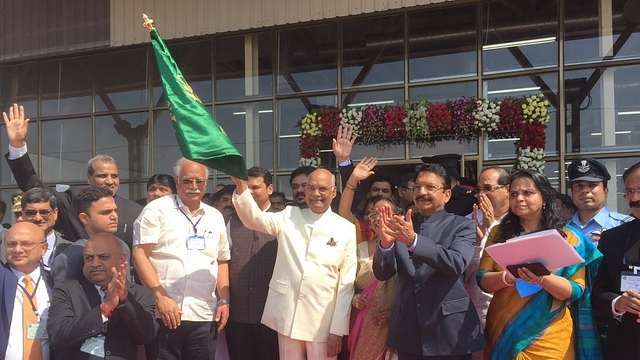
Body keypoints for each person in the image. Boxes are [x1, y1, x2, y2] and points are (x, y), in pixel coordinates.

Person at [231, 168, 357, 360]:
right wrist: (241, 188)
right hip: (288, 313)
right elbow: (253, 219)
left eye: (322, 189)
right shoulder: (288, 216)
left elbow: (346, 284)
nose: (316, 194)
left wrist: (337, 330)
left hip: (323, 319)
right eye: (311, 188)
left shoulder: (346, 229)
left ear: (333, 192)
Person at [477, 170, 602, 360]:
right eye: (514, 194)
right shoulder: (498, 233)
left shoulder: (568, 238)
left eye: (527, 193)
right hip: (502, 327)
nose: (519, 198)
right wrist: (508, 277)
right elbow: (482, 279)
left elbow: (576, 290)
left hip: (549, 334)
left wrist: (542, 277)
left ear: (544, 198)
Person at [373, 163, 485, 360]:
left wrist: (414, 241)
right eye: (417, 187)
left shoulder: (461, 225)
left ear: (447, 195)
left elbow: (456, 264)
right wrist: (385, 245)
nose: (422, 192)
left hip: (449, 331)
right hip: (408, 330)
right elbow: (382, 274)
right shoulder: (402, 225)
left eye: (430, 187)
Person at [3, 103, 143, 247]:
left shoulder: (135, 211)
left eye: (114, 176)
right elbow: (31, 184)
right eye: (102, 176)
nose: (109, 181)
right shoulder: (73, 201)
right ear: (89, 178)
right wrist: (17, 144)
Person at [133, 158, 230, 360]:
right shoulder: (156, 210)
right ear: (177, 181)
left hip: (204, 315)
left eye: (199, 182)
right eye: (188, 181)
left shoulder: (215, 216)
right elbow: (140, 254)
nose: (194, 187)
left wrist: (224, 300)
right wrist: (160, 296)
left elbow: (221, 261)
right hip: (165, 314)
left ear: (206, 183)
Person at [47, 233, 157, 359]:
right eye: (89, 258)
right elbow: (57, 337)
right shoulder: (67, 290)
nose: (95, 264)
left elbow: (146, 335)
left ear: (122, 259)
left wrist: (124, 301)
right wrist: (104, 309)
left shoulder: (141, 294)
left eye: (103, 257)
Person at [339, 157, 398, 360]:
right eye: (373, 215)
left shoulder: (406, 248)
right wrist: (354, 300)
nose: (378, 219)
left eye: (384, 213)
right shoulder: (360, 246)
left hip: (391, 323)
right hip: (362, 320)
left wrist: (395, 315)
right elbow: (347, 283)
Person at [226, 166, 279, 360]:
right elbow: (223, 261)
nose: (250, 192)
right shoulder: (232, 221)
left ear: (270, 189)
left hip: (271, 315)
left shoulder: (283, 220)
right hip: (238, 314)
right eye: (246, 188)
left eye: (256, 187)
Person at [592, 161, 640, 359]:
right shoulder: (612, 238)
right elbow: (597, 292)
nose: (635, 198)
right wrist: (618, 303)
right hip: (625, 345)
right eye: (629, 191)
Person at [51, 186, 131, 284]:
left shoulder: (122, 246)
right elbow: (64, 296)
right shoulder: (70, 257)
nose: (114, 216)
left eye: (115, 210)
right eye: (106, 212)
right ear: (84, 218)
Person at [0, 222, 54, 360]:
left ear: (44, 248)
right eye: (12, 244)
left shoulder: (54, 283)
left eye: (26, 244)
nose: (18, 249)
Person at [465, 167, 510, 334]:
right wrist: (477, 244)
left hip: (506, 307)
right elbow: (461, 270)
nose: (481, 194)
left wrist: (492, 228)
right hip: (473, 309)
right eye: (478, 189)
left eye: (488, 188)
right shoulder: (467, 221)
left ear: (507, 190)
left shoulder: (519, 222)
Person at [567, 158, 630, 244]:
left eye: (592, 185)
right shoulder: (561, 228)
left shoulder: (623, 225)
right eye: (579, 186)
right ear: (572, 193)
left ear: (606, 192)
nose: (585, 190)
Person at [19, 188, 73, 271]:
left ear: (55, 213)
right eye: (31, 213)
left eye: (44, 212)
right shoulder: (8, 250)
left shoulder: (73, 249)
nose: (38, 218)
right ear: (23, 214)